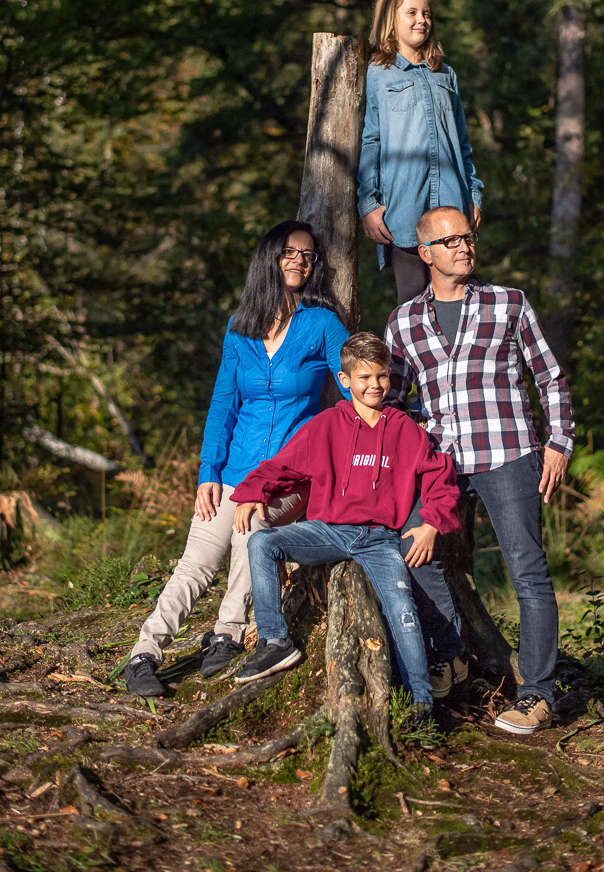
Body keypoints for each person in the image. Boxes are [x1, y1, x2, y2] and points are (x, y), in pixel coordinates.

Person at [124, 220, 350, 697]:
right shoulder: (240, 326)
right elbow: (224, 404)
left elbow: (352, 385)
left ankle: (227, 633)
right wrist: (208, 472)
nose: (299, 260)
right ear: (270, 257)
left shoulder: (322, 324)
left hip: (287, 479)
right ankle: (145, 652)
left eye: (308, 255)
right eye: (289, 251)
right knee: (196, 562)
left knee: (256, 531)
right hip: (232, 469)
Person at [384, 206, 574, 735]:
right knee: (414, 551)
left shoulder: (508, 303)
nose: (464, 247)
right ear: (425, 253)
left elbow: (549, 377)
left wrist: (559, 443)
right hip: (440, 461)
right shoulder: (403, 321)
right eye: (450, 242)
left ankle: (536, 695)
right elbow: (395, 403)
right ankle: (451, 653)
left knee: (528, 574)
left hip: (509, 453)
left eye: (468, 238)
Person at [228, 332, 460, 715]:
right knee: (261, 543)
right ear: (344, 380)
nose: (374, 385)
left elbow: (440, 477)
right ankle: (274, 641)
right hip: (327, 530)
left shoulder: (405, 430)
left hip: (381, 538)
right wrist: (253, 491)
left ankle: (420, 703)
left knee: (402, 609)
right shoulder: (326, 425)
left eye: (382, 376)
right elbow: (282, 465)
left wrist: (432, 523)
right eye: (365, 378)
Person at [357, 0, 484, 304]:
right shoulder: (376, 74)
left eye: (426, 13)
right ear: (390, 20)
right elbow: (370, 141)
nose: (421, 20)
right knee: (413, 303)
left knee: (464, 297)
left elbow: (464, 145)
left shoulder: (446, 74)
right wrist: (369, 204)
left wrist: (474, 195)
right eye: (411, 12)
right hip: (403, 209)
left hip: (454, 205)